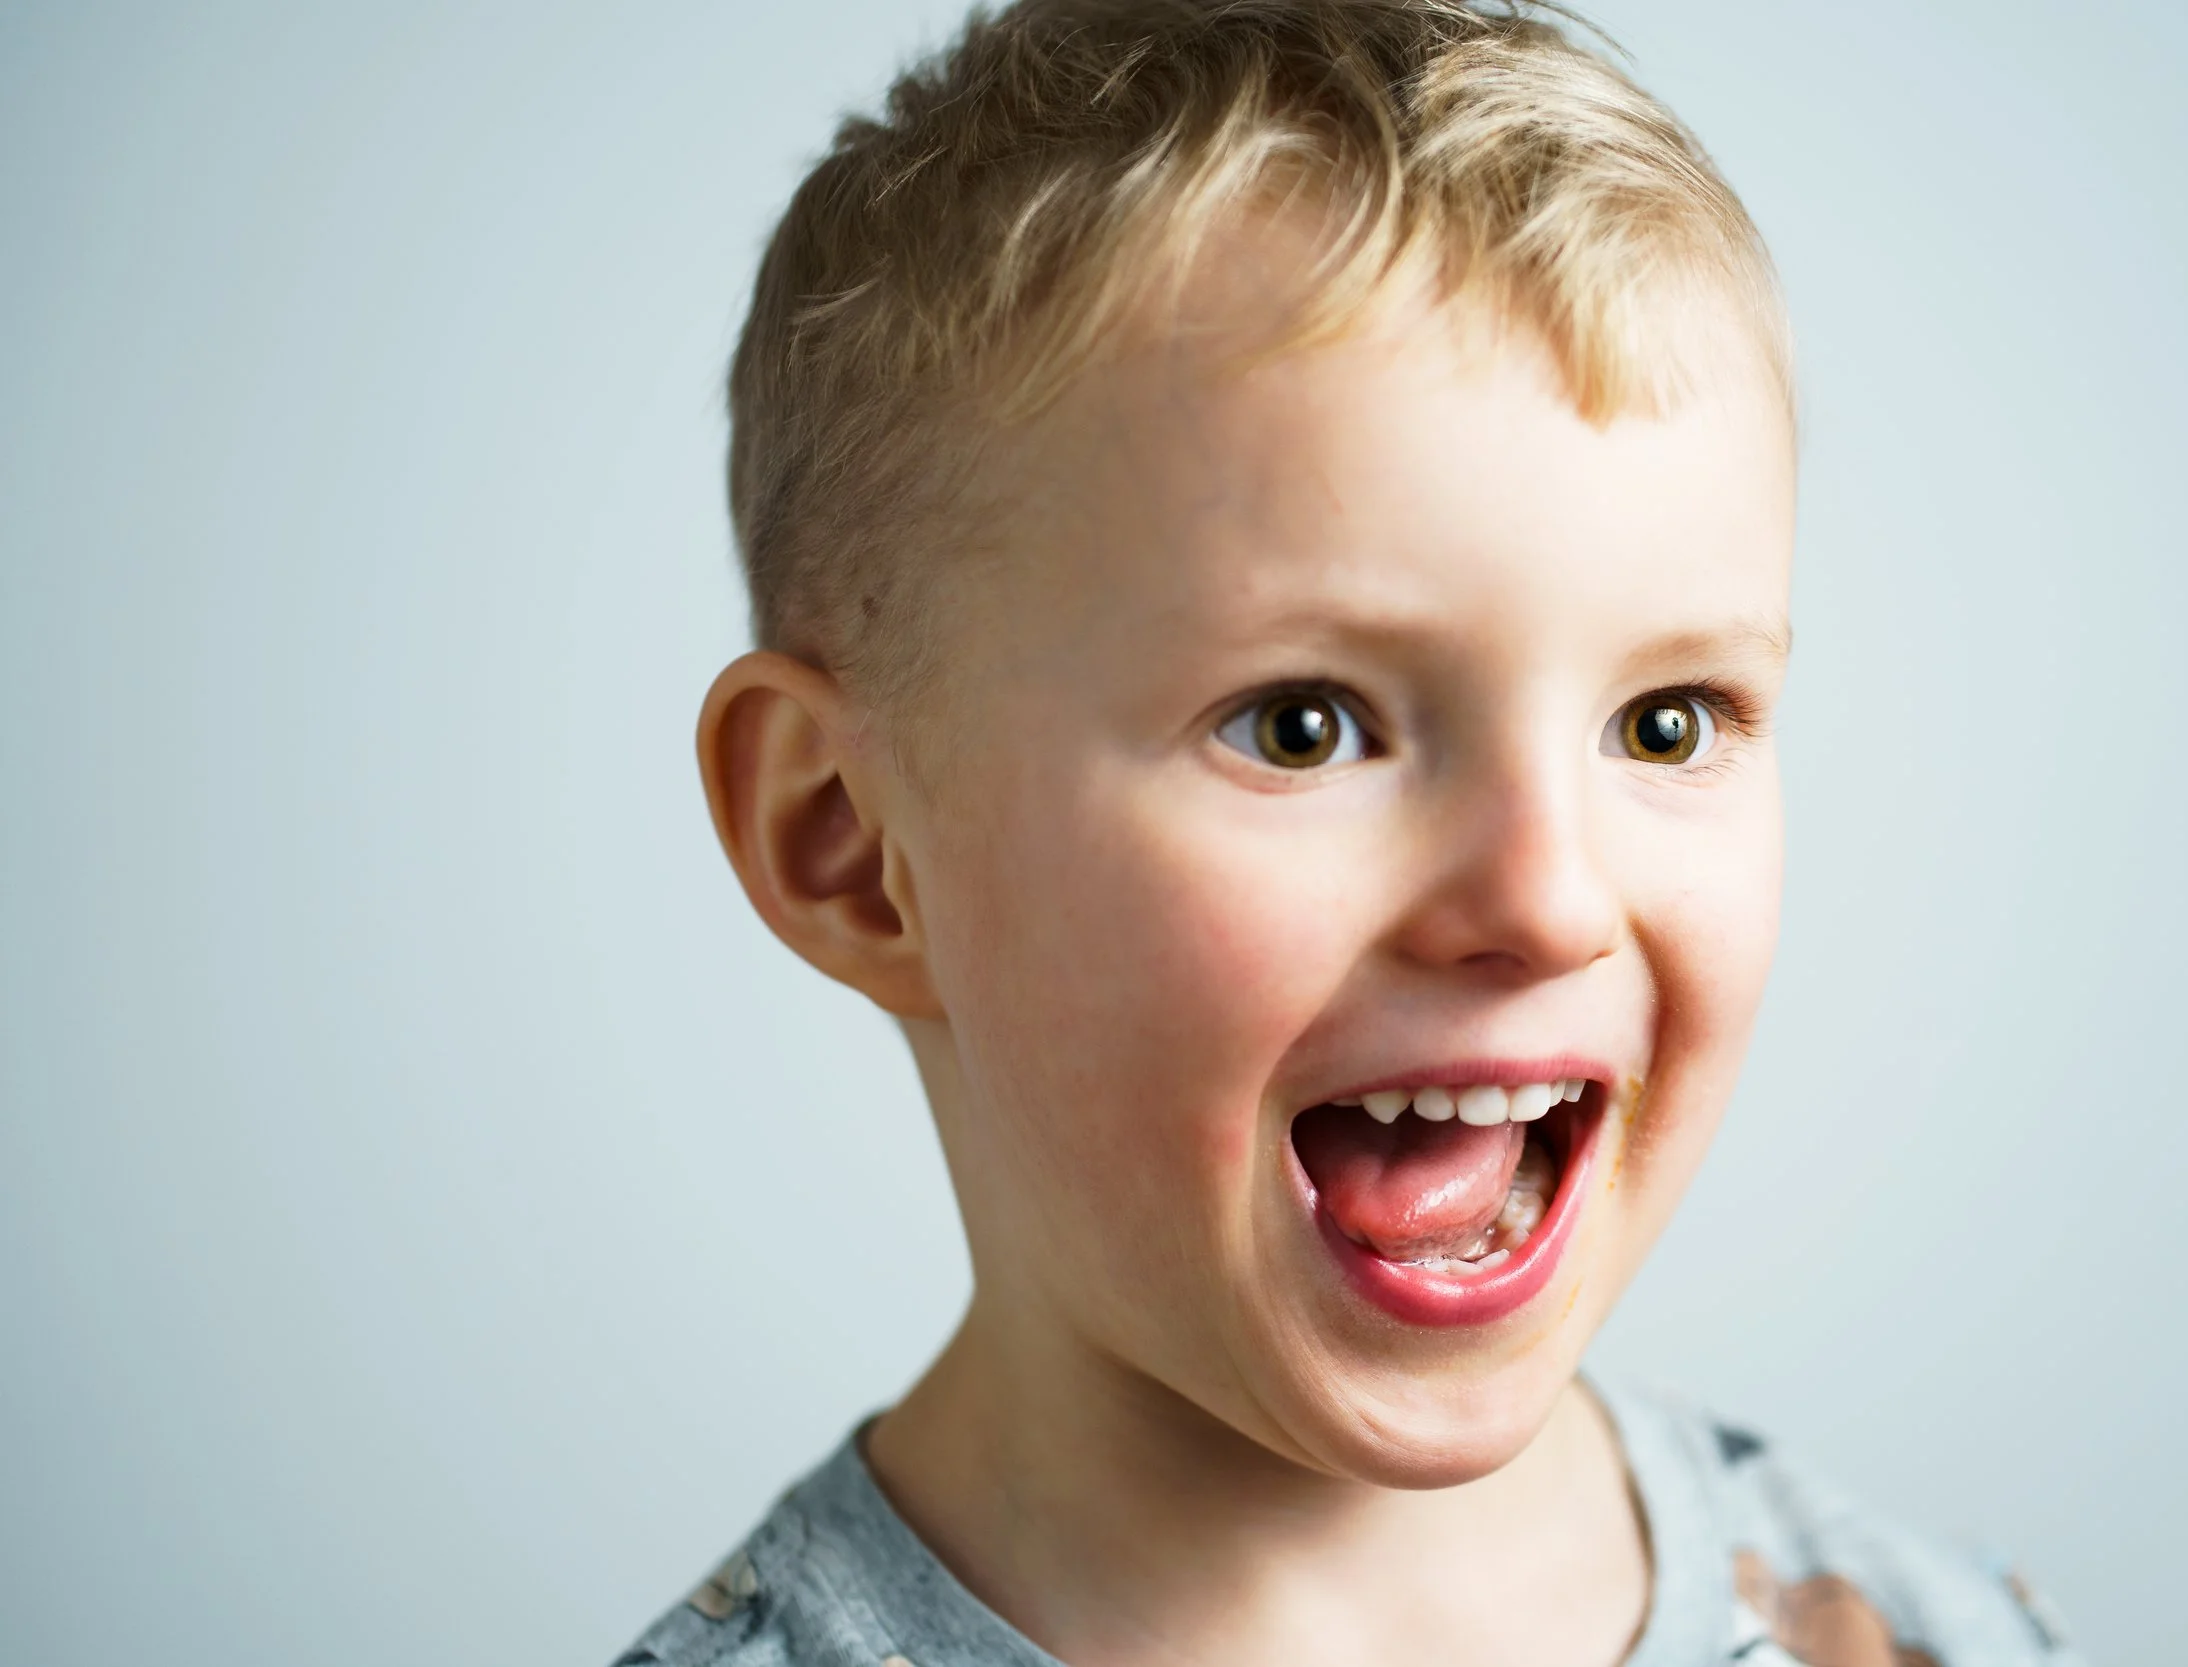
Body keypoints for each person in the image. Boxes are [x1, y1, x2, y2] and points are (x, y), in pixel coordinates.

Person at [620, 1, 2081, 1661]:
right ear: (845, 843)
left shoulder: (1927, 1633)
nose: (1546, 897)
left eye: (1665, 723)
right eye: (1305, 726)